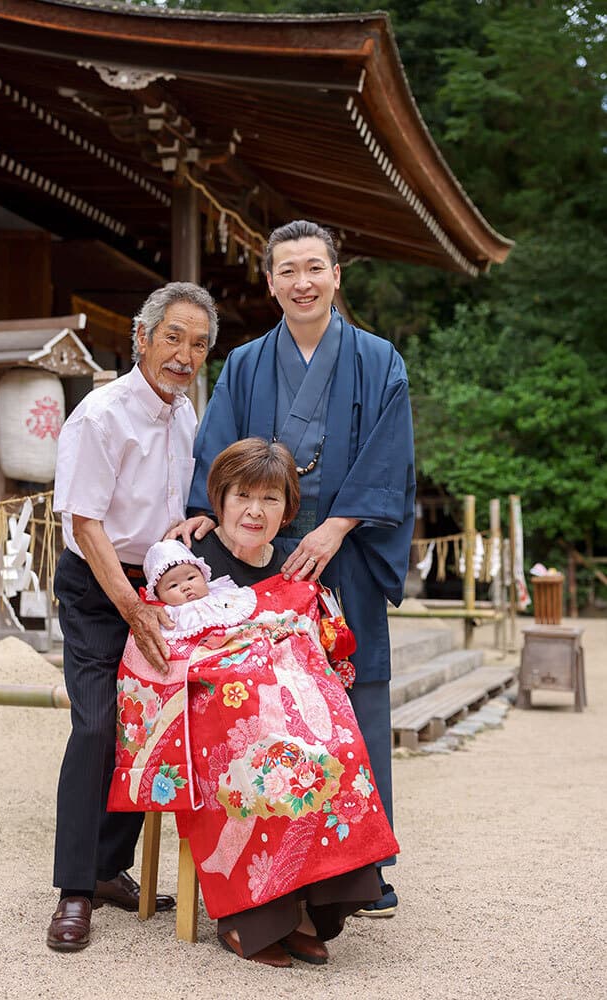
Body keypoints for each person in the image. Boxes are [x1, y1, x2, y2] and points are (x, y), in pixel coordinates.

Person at [182, 220, 416, 917]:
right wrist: (204, 509)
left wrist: (337, 529)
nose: (302, 282)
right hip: (260, 556)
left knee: (355, 694)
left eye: (315, 268)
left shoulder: (379, 361)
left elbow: (390, 458)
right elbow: (217, 450)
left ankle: (362, 864)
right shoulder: (248, 363)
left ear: (336, 275)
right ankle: (276, 859)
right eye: (288, 271)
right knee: (268, 704)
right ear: (271, 281)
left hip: (346, 556)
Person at [125, 439, 398, 968]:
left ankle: (306, 902)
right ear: (218, 499)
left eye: (271, 499)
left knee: (336, 739)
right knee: (255, 749)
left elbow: (327, 641)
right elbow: (158, 635)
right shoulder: (186, 558)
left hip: (289, 698)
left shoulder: (299, 561)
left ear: (289, 508)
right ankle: (252, 914)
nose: (255, 510)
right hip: (211, 705)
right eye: (242, 495)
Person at [46, 281, 219, 952]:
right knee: (96, 724)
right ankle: (74, 891)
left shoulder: (184, 413)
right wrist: (128, 605)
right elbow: (84, 522)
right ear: (142, 338)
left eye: (199, 343)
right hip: (99, 585)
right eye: (173, 337)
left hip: (158, 585)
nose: (184, 354)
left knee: (156, 726)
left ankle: (106, 865)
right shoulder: (100, 414)